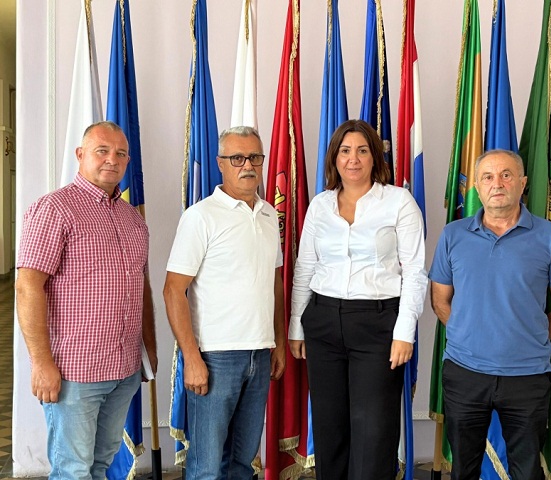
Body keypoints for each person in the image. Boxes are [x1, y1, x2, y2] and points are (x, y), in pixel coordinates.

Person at [15, 121, 158, 480]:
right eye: (102, 151)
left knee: (101, 465)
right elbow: (28, 287)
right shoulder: (54, 209)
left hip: (124, 369)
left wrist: (149, 349)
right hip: (74, 373)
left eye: (121, 153)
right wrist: (40, 363)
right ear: (80, 155)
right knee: (73, 470)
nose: (112, 159)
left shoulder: (132, 219)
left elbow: (141, 287)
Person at [428, 149, 551, 480]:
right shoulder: (453, 235)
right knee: (463, 469)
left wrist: (528, 338)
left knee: (527, 470)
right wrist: (469, 335)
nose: (497, 183)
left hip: (527, 376)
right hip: (465, 373)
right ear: (477, 187)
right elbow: (439, 300)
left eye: (506, 175)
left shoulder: (550, 236)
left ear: (522, 183)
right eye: (488, 177)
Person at [289, 119, 427, 480]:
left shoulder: (398, 202)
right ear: (334, 158)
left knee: (374, 432)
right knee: (329, 427)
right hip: (323, 322)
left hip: (377, 325)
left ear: (374, 156)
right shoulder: (320, 206)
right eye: (346, 151)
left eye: (362, 150)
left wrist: (404, 333)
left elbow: (415, 272)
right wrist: (296, 328)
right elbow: (305, 268)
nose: (353, 159)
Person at [163, 126, 286, 480]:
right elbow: (173, 290)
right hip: (215, 358)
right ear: (220, 163)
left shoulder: (268, 215)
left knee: (242, 464)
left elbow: (274, 284)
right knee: (206, 467)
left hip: (259, 354)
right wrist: (192, 359)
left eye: (255, 157)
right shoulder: (201, 216)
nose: (247, 165)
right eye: (237, 158)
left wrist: (277, 342)